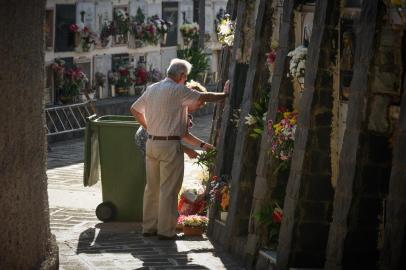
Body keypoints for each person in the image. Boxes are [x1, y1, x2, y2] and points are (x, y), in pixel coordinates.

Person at [130, 58, 230, 240]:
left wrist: (149, 127)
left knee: (151, 188)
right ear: (182, 76)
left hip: (152, 143)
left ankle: (148, 227)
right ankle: (166, 231)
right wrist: (224, 95)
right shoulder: (178, 90)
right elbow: (204, 97)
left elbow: (134, 109)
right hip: (169, 146)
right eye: (186, 77)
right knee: (169, 189)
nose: (185, 80)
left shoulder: (152, 88)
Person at [134, 80, 213, 158]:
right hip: (148, 138)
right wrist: (187, 150)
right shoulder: (174, 109)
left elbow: (185, 135)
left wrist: (204, 145)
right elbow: (167, 138)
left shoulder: (182, 110)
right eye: (199, 104)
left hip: (149, 138)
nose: (199, 107)